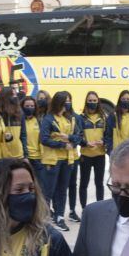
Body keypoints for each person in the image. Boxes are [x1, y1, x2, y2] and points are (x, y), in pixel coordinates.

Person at [39, 90, 79, 232]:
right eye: (65, 101)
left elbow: (77, 137)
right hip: (52, 160)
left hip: (67, 160)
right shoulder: (49, 119)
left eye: (69, 101)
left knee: (62, 190)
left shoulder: (70, 118)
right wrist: (62, 144)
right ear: (59, 103)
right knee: (48, 191)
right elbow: (43, 139)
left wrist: (67, 137)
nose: (68, 104)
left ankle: (59, 217)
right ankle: (42, 220)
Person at [78, 91, 107, 211]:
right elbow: (77, 136)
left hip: (100, 155)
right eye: (90, 101)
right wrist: (85, 143)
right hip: (86, 155)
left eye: (94, 101)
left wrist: (104, 141)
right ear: (86, 102)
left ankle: (100, 209)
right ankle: (84, 209)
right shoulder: (81, 118)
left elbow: (108, 134)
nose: (92, 103)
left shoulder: (104, 117)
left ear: (98, 102)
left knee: (99, 183)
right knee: (83, 184)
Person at [105, 89, 129, 156]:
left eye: (128, 99)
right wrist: (110, 151)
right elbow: (108, 135)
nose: (126, 101)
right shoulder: (113, 116)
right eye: (124, 99)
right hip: (117, 154)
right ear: (119, 101)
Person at [21, 94, 44, 182]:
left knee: (38, 185)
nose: (29, 108)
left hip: (38, 158)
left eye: (32, 106)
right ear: (22, 107)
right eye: (27, 106)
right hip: (24, 158)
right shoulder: (19, 120)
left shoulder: (38, 120)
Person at [0, 87, 25, 160]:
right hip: (2, 155)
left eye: (16, 95)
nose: (15, 97)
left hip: (18, 154)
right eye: (13, 95)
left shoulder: (20, 113)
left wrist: (26, 155)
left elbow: (23, 135)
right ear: (5, 97)